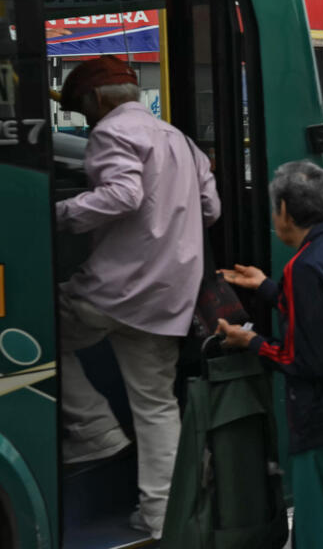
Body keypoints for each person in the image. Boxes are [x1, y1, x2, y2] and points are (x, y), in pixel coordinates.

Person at [55, 55, 221, 539]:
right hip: (166, 299)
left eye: (83, 109)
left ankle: (92, 431)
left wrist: (58, 215)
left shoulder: (110, 133)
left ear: (95, 100)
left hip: (112, 289)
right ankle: (161, 520)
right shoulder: (183, 142)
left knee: (37, 335)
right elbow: (209, 208)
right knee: (156, 409)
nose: (86, 119)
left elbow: (122, 195)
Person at [216, 160, 323, 549]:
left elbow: (305, 358)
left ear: (284, 210)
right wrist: (268, 288)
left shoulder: (303, 267)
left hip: (319, 419)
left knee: (321, 533)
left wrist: (249, 342)